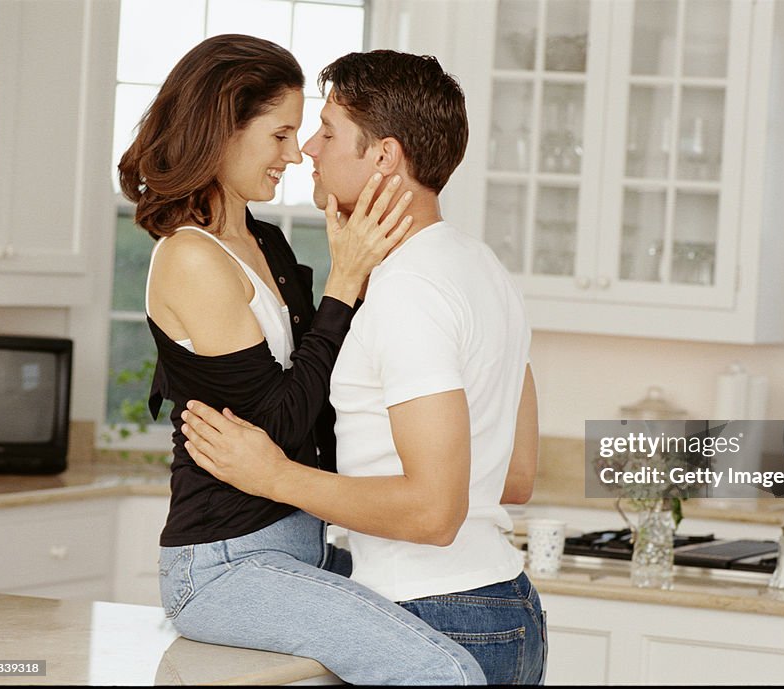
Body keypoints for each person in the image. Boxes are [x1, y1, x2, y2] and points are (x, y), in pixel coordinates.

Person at [118, 34, 486, 685]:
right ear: (224, 129)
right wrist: (344, 282)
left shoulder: (264, 240)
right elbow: (279, 428)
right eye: (281, 134)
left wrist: (367, 274)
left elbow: (321, 394)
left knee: (460, 628)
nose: (295, 155)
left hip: (298, 547)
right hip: (223, 565)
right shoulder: (190, 258)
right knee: (446, 670)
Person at [180, 49, 546, 685]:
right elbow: (513, 478)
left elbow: (434, 512)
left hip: (434, 615)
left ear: (384, 157)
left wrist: (273, 475)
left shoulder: (410, 289)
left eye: (327, 132)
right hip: (510, 609)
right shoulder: (480, 267)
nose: (309, 151)